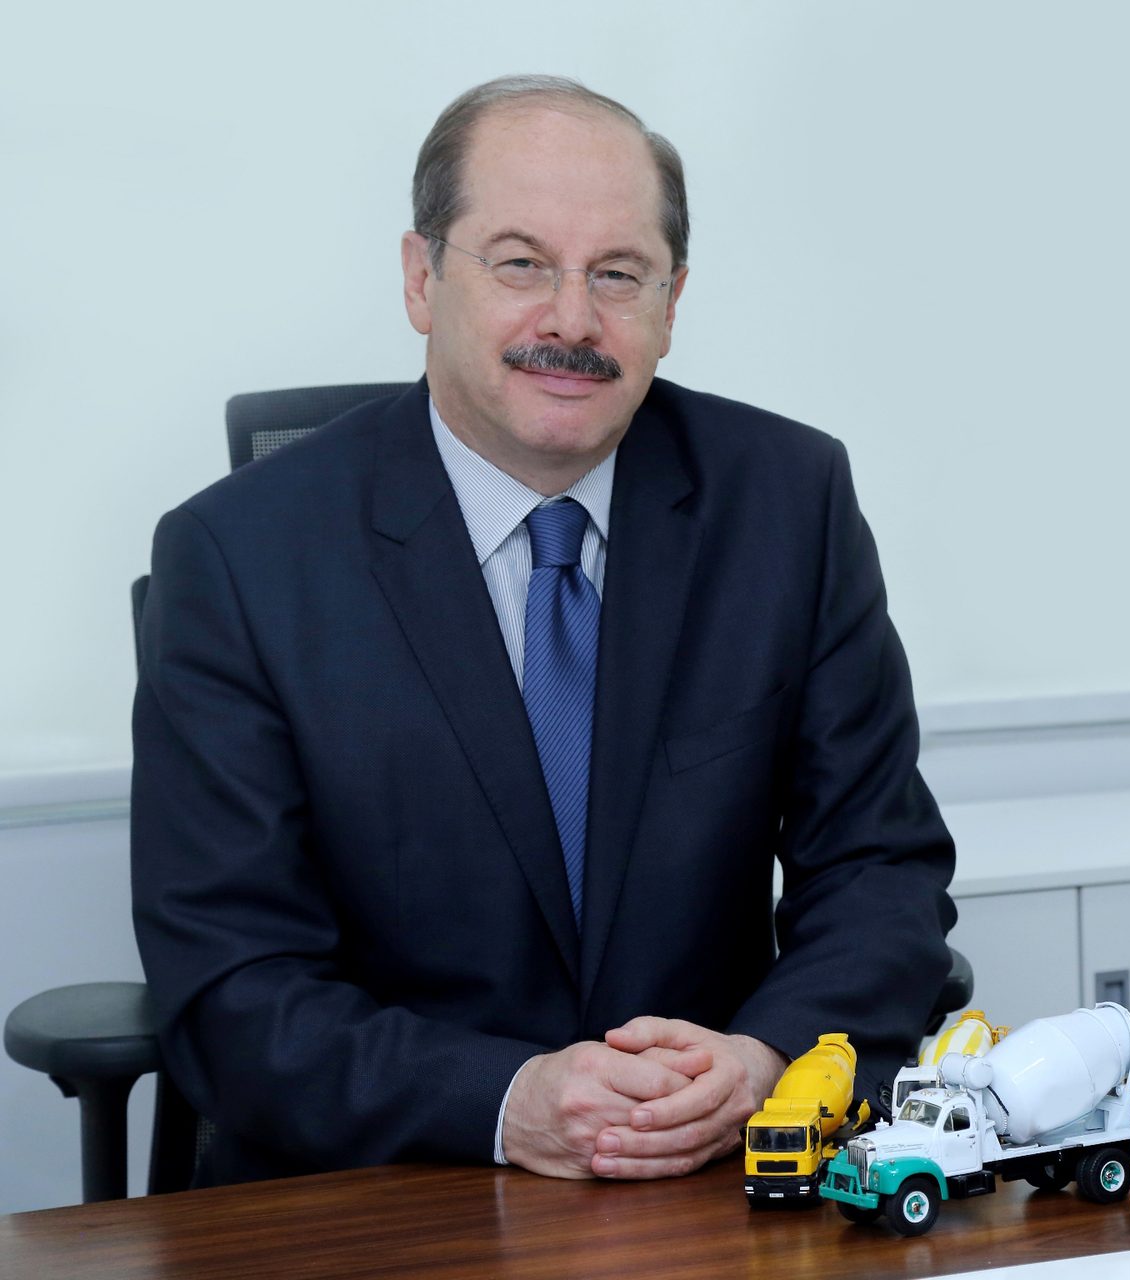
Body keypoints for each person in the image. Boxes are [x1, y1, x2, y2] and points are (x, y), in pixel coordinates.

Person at [130, 75, 956, 1186]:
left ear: (672, 302)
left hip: (715, 1176)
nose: (572, 319)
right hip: (386, 1191)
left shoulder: (786, 503)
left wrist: (765, 1064)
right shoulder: (239, 559)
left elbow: (878, 865)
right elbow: (230, 984)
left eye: (618, 274)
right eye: (520, 263)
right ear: (423, 280)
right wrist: (509, 1099)